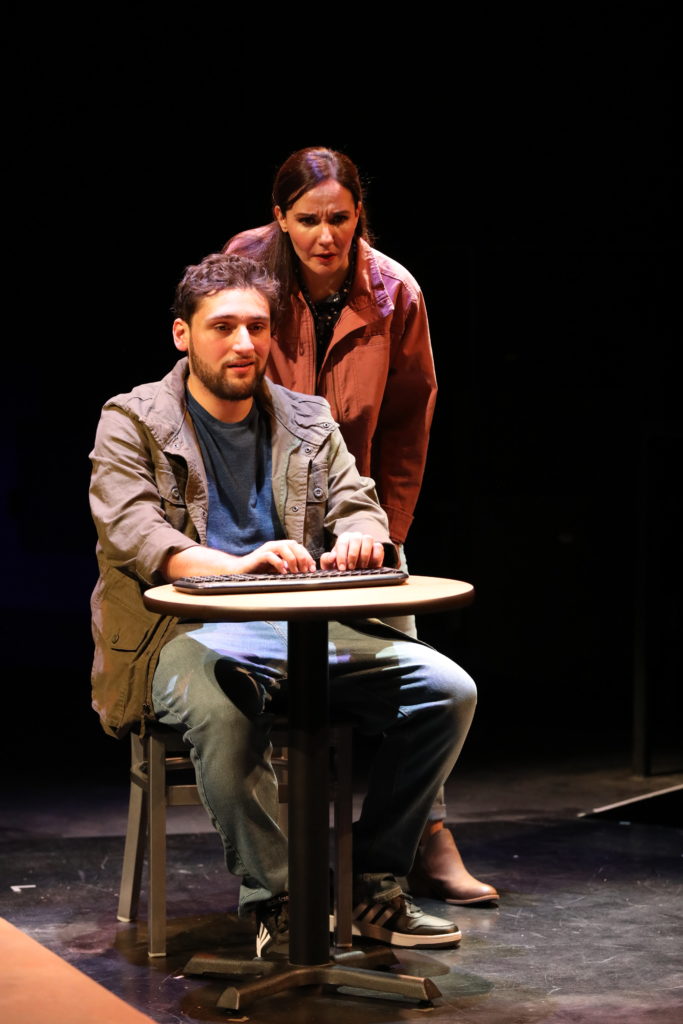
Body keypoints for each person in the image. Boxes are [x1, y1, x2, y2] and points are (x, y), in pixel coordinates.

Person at [89, 252, 480, 958]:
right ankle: (279, 899)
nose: (244, 344)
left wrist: (360, 538)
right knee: (222, 710)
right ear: (182, 334)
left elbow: (360, 504)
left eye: (257, 327)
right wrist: (235, 566)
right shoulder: (132, 419)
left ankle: (372, 881)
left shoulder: (306, 417)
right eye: (223, 327)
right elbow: (136, 533)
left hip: (301, 630)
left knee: (447, 691)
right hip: (186, 634)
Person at [223, 146, 498, 906]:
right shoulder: (244, 270)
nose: (326, 236)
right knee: (252, 669)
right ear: (281, 218)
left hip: (356, 509)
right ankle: (279, 862)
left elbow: (409, 419)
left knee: (420, 672)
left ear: (358, 216)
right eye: (308, 219)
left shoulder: (393, 291)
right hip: (258, 512)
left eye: (340, 219)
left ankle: (416, 839)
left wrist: (389, 527)